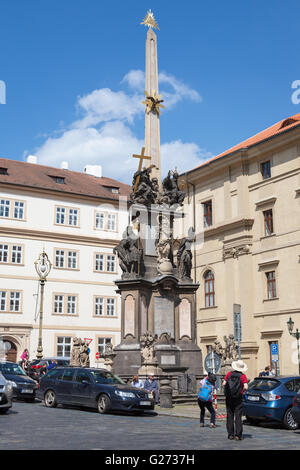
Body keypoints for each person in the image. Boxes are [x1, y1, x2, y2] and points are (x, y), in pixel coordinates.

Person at [223, 360, 248, 441]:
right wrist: (242, 391)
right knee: (238, 416)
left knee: (229, 415)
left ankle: (230, 434)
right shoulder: (243, 376)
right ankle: (238, 435)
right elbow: (246, 387)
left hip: (229, 398)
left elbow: (224, 383)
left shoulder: (229, 374)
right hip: (238, 398)